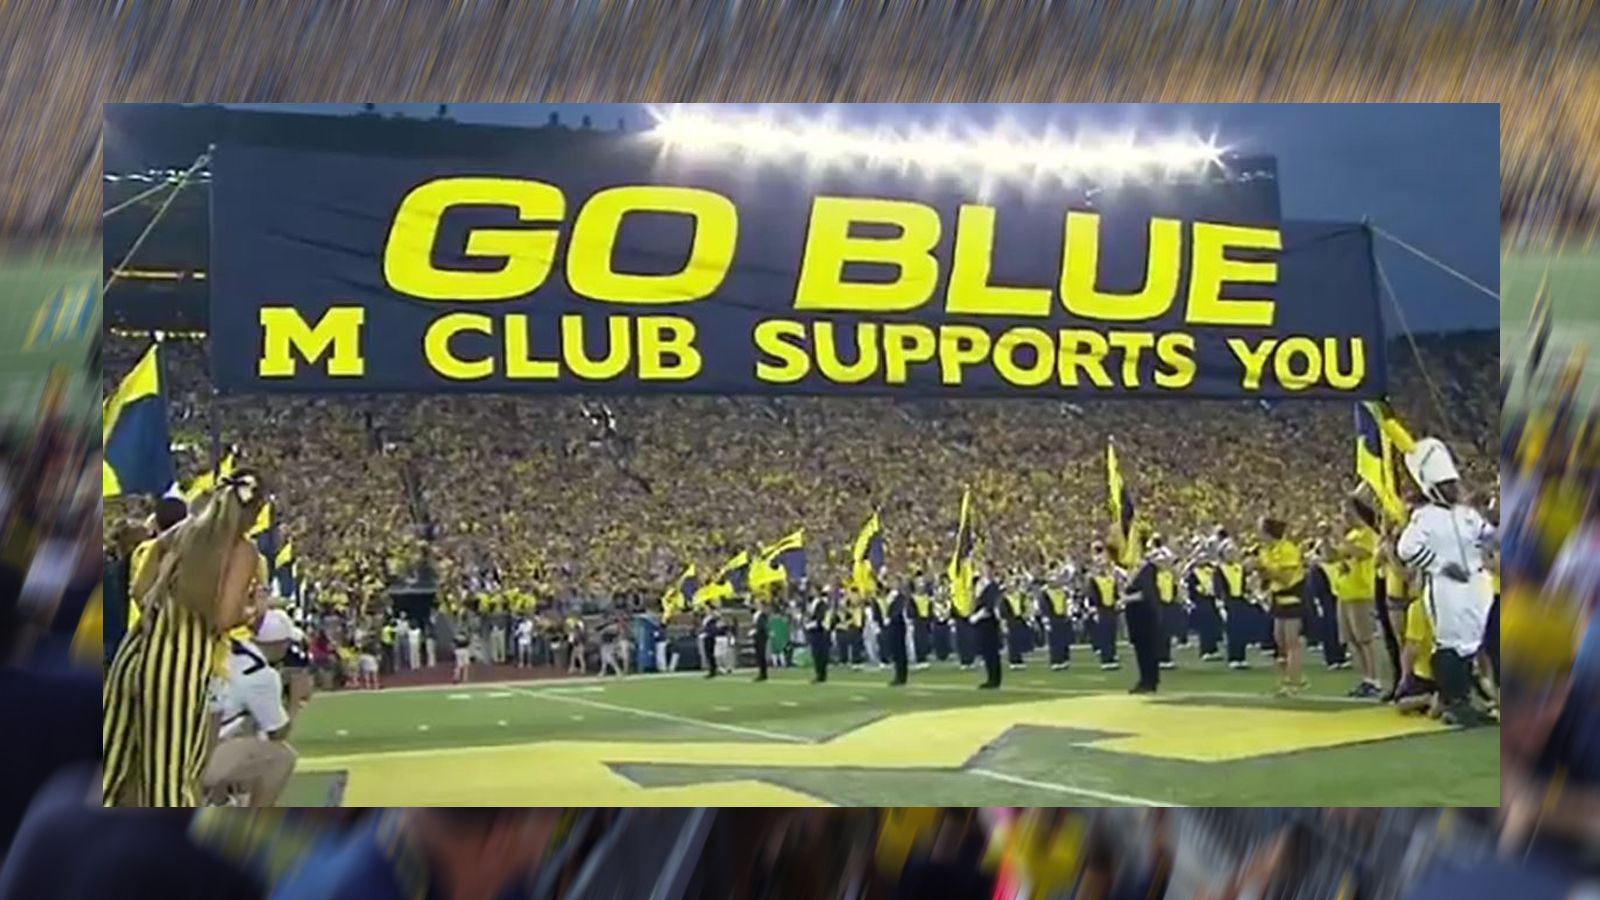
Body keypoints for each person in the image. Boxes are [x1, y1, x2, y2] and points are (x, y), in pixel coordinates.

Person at [103, 470, 269, 807]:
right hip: (179, 665)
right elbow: (224, 617)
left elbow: (139, 590)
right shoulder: (242, 550)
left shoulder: (183, 532)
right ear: (253, 512)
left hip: (134, 651)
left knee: (113, 767)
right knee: (168, 782)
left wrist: (162, 607)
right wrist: (253, 610)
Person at [1396, 438, 1498, 727]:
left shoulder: (1466, 514)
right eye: (1448, 485)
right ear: (1434, 489)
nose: (1455, 489)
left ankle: (1466, 698)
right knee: (1450, 644)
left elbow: (1486, 535)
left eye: (1455, 484)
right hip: (1447, 587)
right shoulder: (1424, 517)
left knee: (1471, 644)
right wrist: (1441, 565)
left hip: (1476, 585)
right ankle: (1454, 703)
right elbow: (1406, 548)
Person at [201, 609, 307, 807]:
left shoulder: (235, 648)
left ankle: (220, 799)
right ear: (280, 643)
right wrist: (296, 701)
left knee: (243, 728)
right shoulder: (261, 674)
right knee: (282, 757)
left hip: (182, 743)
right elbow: (278, 733)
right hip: (199, 758)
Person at [1336, 499, 1384, 698]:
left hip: (1361, 592)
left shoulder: (1367, 535)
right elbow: (1333, 557)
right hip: (1345, 591)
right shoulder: (1351, 535)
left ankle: (1374, 679)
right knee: (1352, 640)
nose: (1344, 516)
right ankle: (1365, 678)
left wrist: (1341, 538)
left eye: (1348, 511)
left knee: (1365, 639)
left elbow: (1362, 553)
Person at [1256, 517, 1308, 696]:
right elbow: (1267, 577)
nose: (1258, 534)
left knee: (1291, 641)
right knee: (1280, 642)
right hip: (1277, 598)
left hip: (1293, 597)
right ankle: (1285, 682)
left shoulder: (1288, 549)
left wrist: (1264, 569)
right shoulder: (1265, 551)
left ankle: (1294, 682)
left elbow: (1286, 579)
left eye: (1260, 530)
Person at [1123, 536, 1165, 694]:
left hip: (1145, 613)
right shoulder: (1136, 568)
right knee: (1143, 648)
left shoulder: (1147, 568)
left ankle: (1148, 681)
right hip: (1137, 613)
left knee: (1146, 648)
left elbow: (1146, 593)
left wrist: (1125, 599)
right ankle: (1149, 680)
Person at [1086, 543, 1121, 671]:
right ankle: (1106, 659)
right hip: (1101, 610)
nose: (1102, 567)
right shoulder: (1093, 580)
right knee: (1104, 634)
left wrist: (1117, 601)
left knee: (1112, 633)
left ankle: (1112, 655)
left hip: (1111, 608)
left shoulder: (1111, 579)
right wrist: (1093, 609)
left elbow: (1115, 592)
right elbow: (1092, 595)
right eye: (1099, 566)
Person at [971, 568, 1003, 690]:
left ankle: (994, 680)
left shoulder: (992, 586)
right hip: (981, 624)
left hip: (989, 623)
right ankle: (990, 678)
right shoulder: (977, 584)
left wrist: (976, 616)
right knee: (986, 652)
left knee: (992, 652)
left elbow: (990, 606)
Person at [884, 581, 910, 687]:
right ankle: (898, 675)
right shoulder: (891, 596)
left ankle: (901, 676)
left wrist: (891, 617)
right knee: (896, 652)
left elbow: (899, 612)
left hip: (898, 626)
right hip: (893, 626)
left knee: (900, 652)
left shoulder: (900, 597)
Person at [805, 588, 831, 684]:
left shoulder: (822, 604)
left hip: (819, 630)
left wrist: (810, 624)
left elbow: (820, 618)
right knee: (815, 653)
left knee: (819, 653)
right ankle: (818, 673)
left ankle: (821, 674)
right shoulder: (811, 604)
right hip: (813, 630)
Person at [699, 605, 722, 679]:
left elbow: (718, 617)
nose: (706, 610)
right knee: (707, 654)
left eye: (707, 609)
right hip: (706, 636)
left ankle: (713, 670)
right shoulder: (705, 617)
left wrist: (714, 612)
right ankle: (711, 669)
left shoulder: (713, 617)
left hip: (710, 636)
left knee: (710, 653)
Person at [752, 602, 770, 682]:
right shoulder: (756, 614)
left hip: (761, 637)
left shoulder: (762, 615)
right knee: (759, 655)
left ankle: (763, 673)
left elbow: (762, 626)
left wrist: (756, 631)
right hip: (757, 636)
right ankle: (762, 672)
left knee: (761, 655)